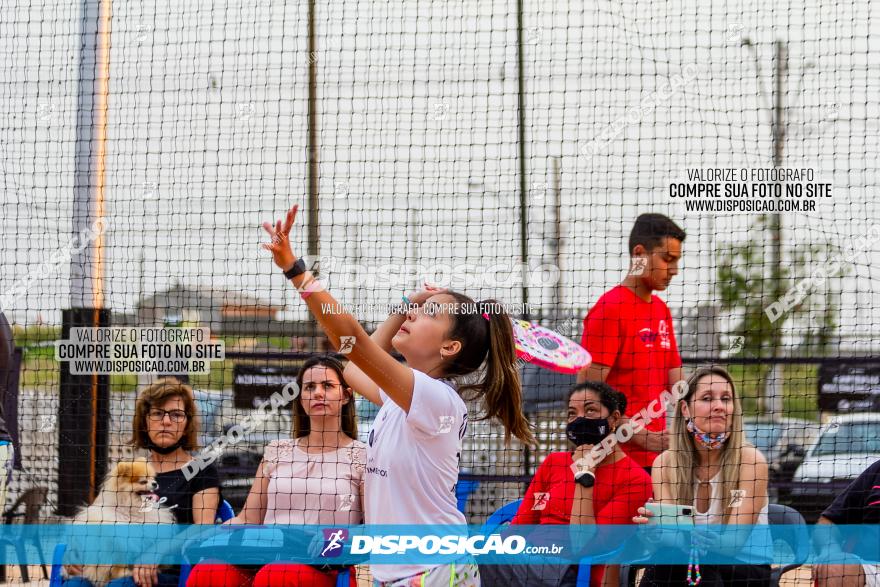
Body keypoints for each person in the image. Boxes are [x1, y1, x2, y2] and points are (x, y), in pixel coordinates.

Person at [261, 203, 535, 586]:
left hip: (435, 573)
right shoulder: (402, 398)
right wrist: (405, 304)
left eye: (428, 313)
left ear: (450, 347)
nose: (413, 314)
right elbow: (352, 368)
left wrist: (298, 272)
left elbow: (352, 344)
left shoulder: (437, 399)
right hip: (401, 573)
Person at [185, 355, 363, 587]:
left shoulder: (363, 456)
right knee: (210, 572)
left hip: (325, 567)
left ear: (346, 395)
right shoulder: (277, 451)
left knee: (277, 576)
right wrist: (210, 535)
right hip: (265, 559)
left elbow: (374, 527)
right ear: (300, 398)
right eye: (309, 387)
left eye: (327, 385)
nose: (318, 393)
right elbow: (249, 517)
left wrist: (337, 539)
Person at [64, 378, 222, 587]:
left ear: (187, 424)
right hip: (114, 568)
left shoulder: (202, 470)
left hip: (168, 571)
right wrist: (73, 551)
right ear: (145, 422)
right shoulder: (129, 472)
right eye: (157, 413)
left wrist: (158, 551)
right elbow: (93, 520)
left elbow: (203, 527)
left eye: (176, 414)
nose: (166, 421)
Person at [498, 381, 652, 587]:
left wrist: (585, 473)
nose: (579, 419)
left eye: (590, 410)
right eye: (572, 413)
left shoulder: (636, 480)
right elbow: (524, 522)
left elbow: (585, 546)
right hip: (528, 561)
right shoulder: (554, 463)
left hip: (573, 571)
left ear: (614, 418)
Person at [633, 366, 771, 586]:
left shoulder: (751, 461)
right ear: (685, 409)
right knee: (664, 567)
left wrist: (686, 536)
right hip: (690, 563)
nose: (719, 406)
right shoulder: (665, 463)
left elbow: (733, 542)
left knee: (693, 573)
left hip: (743, 567)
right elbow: (674, 538)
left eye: (726, 399)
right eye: (707, 398)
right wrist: (655, 531)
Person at [577, 213, 686, 473]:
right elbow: (588, 394)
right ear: (639, 254)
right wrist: (641, 436)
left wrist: (700, 416)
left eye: (677, 261)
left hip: (658, 462)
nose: (674, 270)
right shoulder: (610, 309)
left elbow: (678, 383)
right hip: (614, 461)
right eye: (667, 259)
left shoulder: (661, 311)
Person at [814, 459, 880, 587]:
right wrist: (829, 549)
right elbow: (828, 522)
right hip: (873, 569)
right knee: (836, 566)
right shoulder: (877, 471)